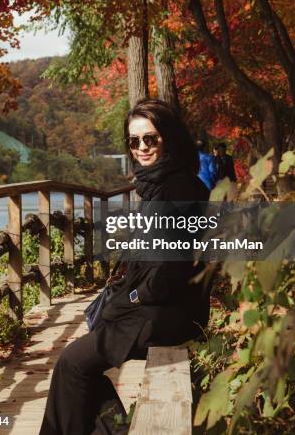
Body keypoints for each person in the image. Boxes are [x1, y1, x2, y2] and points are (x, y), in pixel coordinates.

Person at [39, 98, 210, 435]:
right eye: (134, 141)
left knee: (72, 364)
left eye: (151, 138)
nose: (142, 148)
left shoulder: (173, 190)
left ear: (169, 138)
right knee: (78, 366)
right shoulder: (164, 183)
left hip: (166, 312)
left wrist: (129, 299)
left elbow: (168, 274)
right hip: (167, 307)